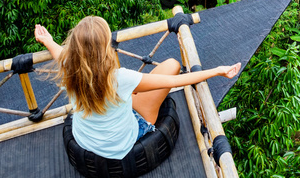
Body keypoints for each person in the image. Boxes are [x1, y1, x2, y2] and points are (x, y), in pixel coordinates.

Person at [35, 16, 241, 160]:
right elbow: (177, 81)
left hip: (86, 138)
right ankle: (137, 104)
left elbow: (59, 53)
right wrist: (217, 70)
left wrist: (48, 41)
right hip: (121, 142)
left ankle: (130, 97)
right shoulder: (119, 78)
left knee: (128, 93)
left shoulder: (70, 68)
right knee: (172, 66)